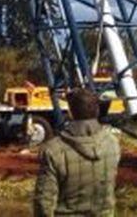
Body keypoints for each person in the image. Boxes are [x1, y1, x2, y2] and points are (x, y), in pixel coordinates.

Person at [33, 88, 121, 217]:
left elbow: (43, 202)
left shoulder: (53, 150)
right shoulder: (112, 143)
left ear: (70, 113)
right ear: (97, 111)